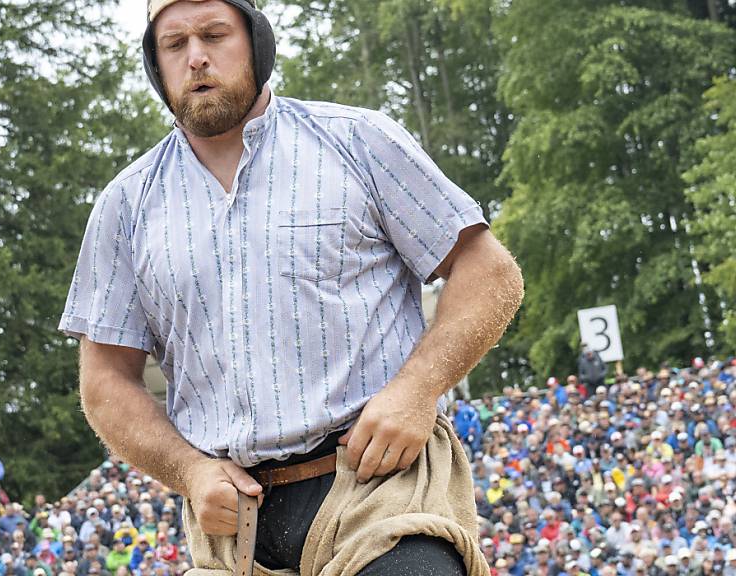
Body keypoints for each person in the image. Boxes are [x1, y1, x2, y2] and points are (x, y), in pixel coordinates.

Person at [58, 0, 524, 574]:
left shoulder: (358, 142)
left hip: (381, 487)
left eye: (214, 35)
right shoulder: (125, 205)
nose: (196, 57)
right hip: (234, 527)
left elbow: (489, 271)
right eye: (174, 45)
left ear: (256, 42)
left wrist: (418, 389)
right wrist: (187, 469)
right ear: (156, 64)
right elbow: (106, 380)